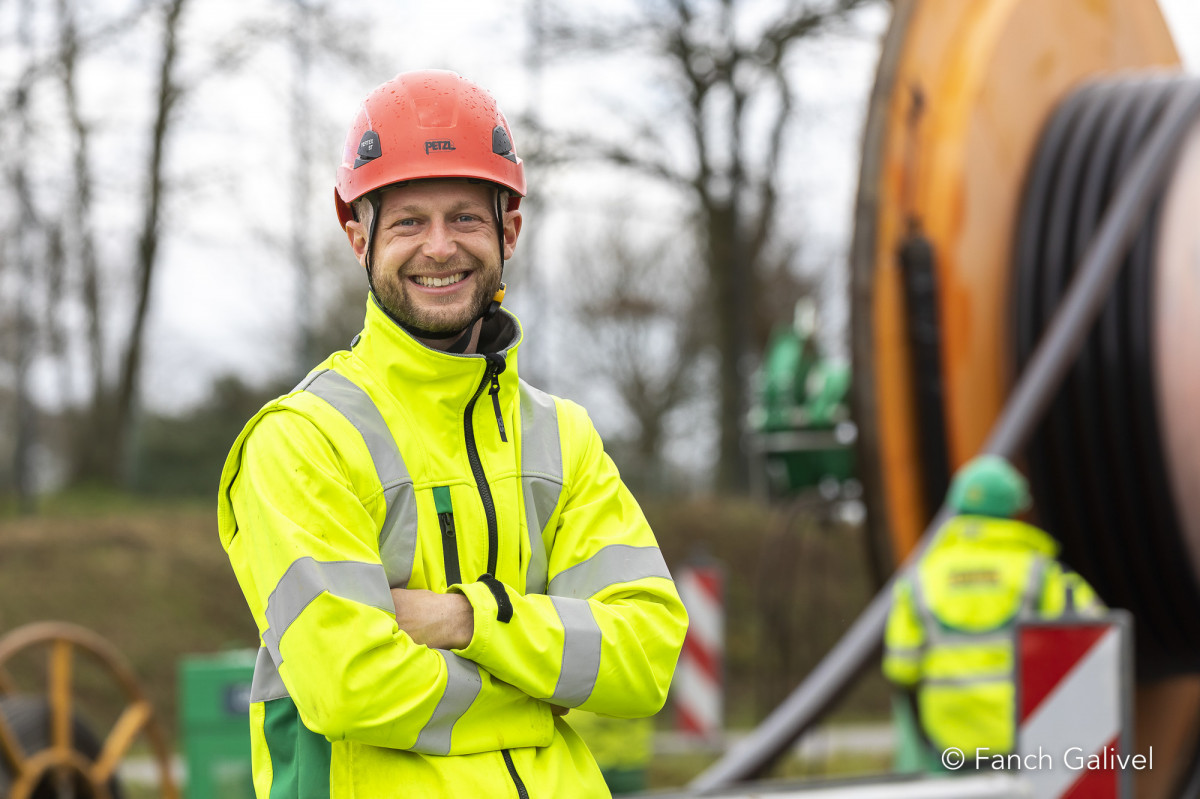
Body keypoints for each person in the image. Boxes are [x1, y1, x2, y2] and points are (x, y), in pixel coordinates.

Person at [217, 69, 689, 798]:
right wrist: (544, 692)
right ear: (357, 235)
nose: (439, 247)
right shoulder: (302, 441)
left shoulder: (564, 436)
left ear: (510, 231)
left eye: (466, 217)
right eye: (408, 221)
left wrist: (464, 618)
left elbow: (648, 657)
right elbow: (350, 687)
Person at [882, 454, 1102, 769]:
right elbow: (1097, 634)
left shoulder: (920, 579)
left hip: (948, 741)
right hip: (1026, 733)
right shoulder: (1039, 574)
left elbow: (900, 668)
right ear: (1015, 510)